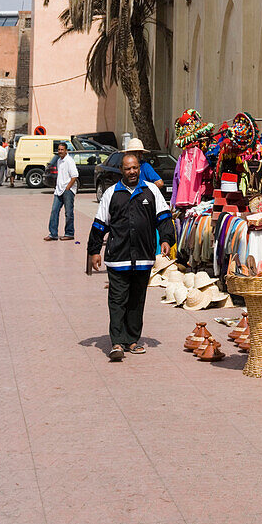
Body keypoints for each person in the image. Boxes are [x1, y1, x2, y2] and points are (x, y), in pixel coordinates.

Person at [87, 151, 174, 361]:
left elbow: (163, 218)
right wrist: (93, 251)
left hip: (143, 257)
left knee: (136, 300)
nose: (132, 171)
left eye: (135, 167)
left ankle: (132, 340)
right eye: (128, 168)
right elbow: (99, 225)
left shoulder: (151, 190)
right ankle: (117, 342)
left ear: (139, 168)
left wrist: (166, 239)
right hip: (118, 258)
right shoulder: (111, 194)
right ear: (121, 171)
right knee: (117, 300)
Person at [44, 141, 78, 241]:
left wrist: (68, 188)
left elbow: (74, 176)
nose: (60, 151)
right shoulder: (59, 160)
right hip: (58, 190)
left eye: (62, 149)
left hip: (67, 190)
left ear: (66, 150)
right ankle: (53, 234)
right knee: (54, 211)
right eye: (59, 149)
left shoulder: (69, 161)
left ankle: (69, 233)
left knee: (68, 213)